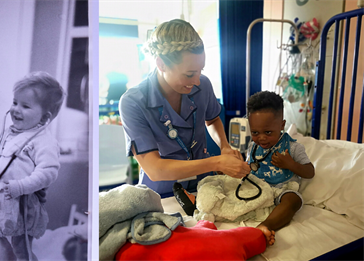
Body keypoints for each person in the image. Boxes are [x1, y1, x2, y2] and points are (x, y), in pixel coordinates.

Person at [119, 19, 251, 197]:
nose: (196, 81)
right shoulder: (133, 102)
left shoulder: (202, 85)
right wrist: (217, 163)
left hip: (202, 186)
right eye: (189, 74)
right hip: (162, 194)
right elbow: (155, 169)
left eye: (200, 71)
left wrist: (224, 146)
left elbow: (212, 119)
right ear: (161, 64)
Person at [0, 72, 64, 260]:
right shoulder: (11, 133)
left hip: (22, 203)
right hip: (0, 199)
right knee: (1, 240)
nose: (16, 110)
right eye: (14, 103)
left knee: (22, 248)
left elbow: (48, 172)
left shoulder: (44, 141)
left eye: (25, 106)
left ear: (45, 118)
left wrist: (20, 187)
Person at [246, 91, 315, 245]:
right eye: (255, 132)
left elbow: (310, 172)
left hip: (281, 190)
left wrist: (290, 164)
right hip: (257, 188)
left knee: (294, 200)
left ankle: (264, 227)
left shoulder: (293, 148)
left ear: (282, 125)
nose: (261, 138)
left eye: (268, 132)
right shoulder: (253, 147)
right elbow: (250, 168)